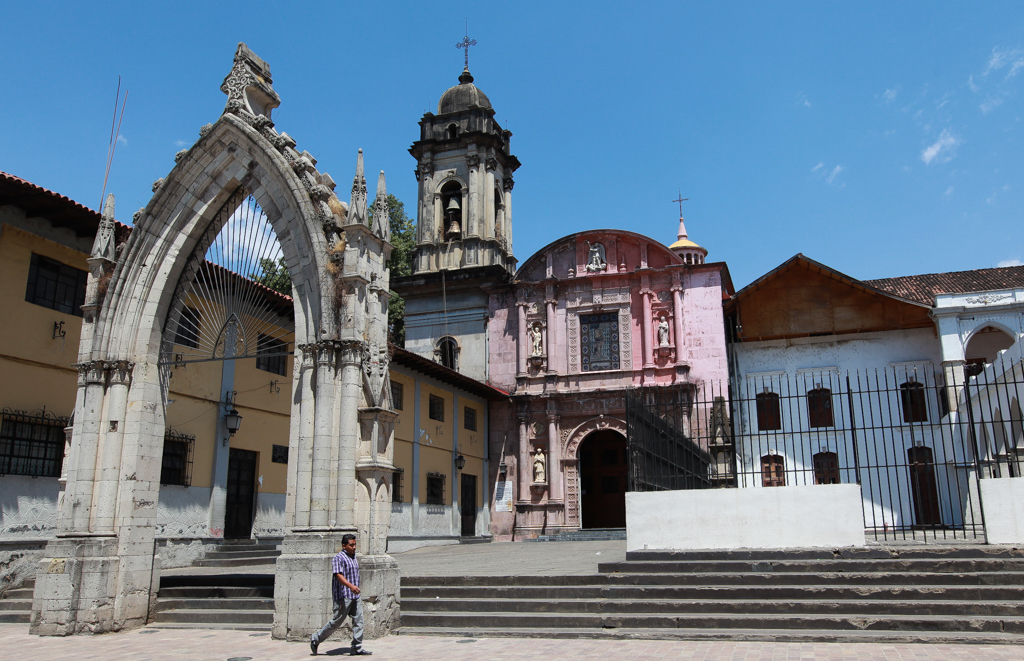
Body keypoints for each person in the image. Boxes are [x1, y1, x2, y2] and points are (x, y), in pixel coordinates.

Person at [310, 534, 371, 656]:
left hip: (355, 596)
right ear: (344, 546)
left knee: (359, 621)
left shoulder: (353, 557)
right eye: (351, 545)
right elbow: (338, 575)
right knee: (337, 621)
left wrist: (355, 588)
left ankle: (356, 647)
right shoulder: (339, 558)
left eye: (355, 544)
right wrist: (351, 586)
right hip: (344, 596)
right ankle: (316, 638)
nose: (354, 547)